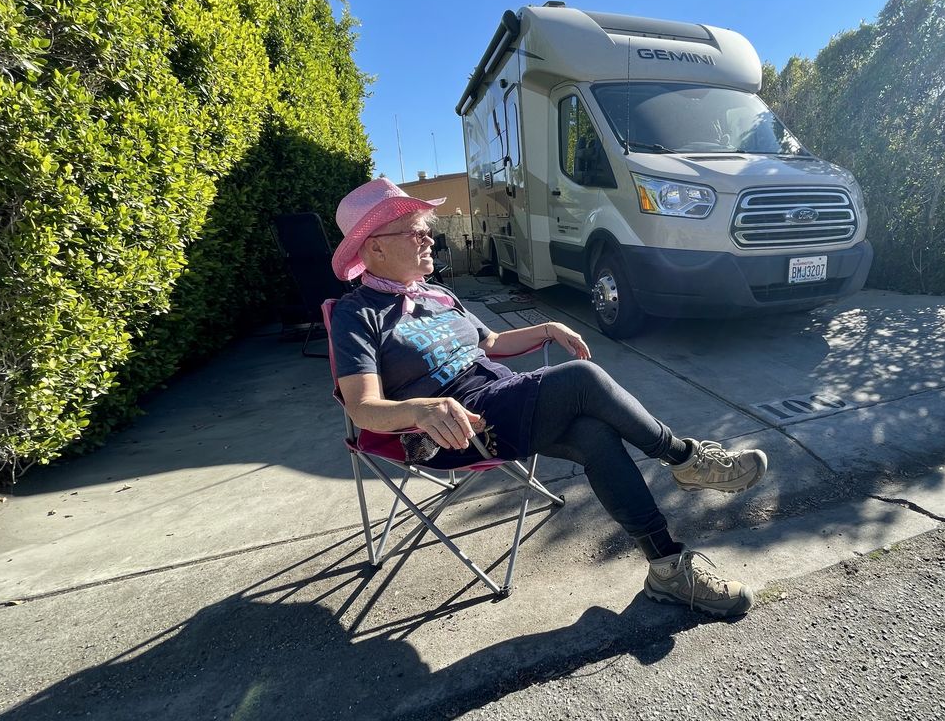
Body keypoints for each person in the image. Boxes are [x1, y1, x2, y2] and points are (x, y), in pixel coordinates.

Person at [327, 178, 769, 618]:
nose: (429, 238)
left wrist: (546, 328)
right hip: (456, 428)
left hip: (502, 401)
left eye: (427, 228)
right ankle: (686, 459)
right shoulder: (356, 314)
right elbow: (362, 408)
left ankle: (667, 567)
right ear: (375, 248)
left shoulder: (438, 294)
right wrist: (422, 408)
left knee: (595, 434)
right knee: (580, 378)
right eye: (415, 232)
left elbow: (491, 342)